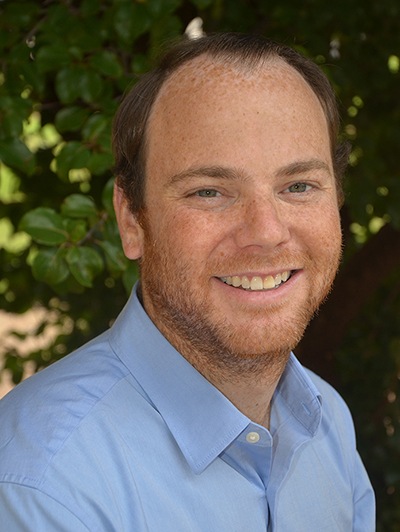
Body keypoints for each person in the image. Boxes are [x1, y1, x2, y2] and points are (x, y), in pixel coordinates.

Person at [0, 33, 375, 531]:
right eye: (209, 191)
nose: (265, 232)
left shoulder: (329, 421)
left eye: (298, 186)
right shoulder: (45, 485)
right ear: (132, 219)